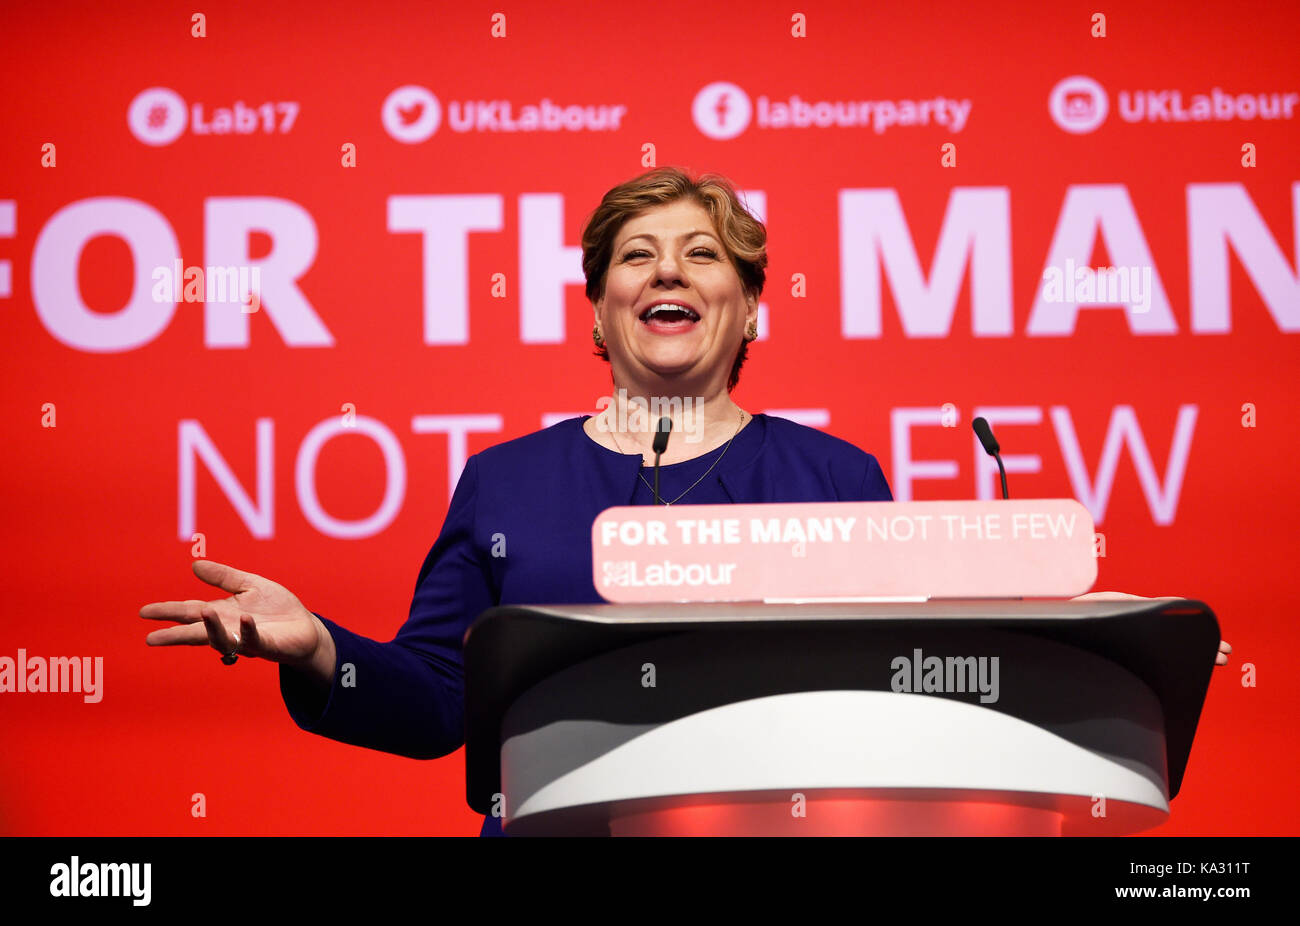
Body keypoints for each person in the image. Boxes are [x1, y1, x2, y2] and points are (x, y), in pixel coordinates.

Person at [139, 166, 1230, 837]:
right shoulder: (506, 479)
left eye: (705, 255)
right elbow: (438, 705)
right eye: (636, 256)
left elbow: (891, 688)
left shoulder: (835, 478)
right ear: (600, 312)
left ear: (748, 308)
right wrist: (322, 648)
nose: (669, 271)